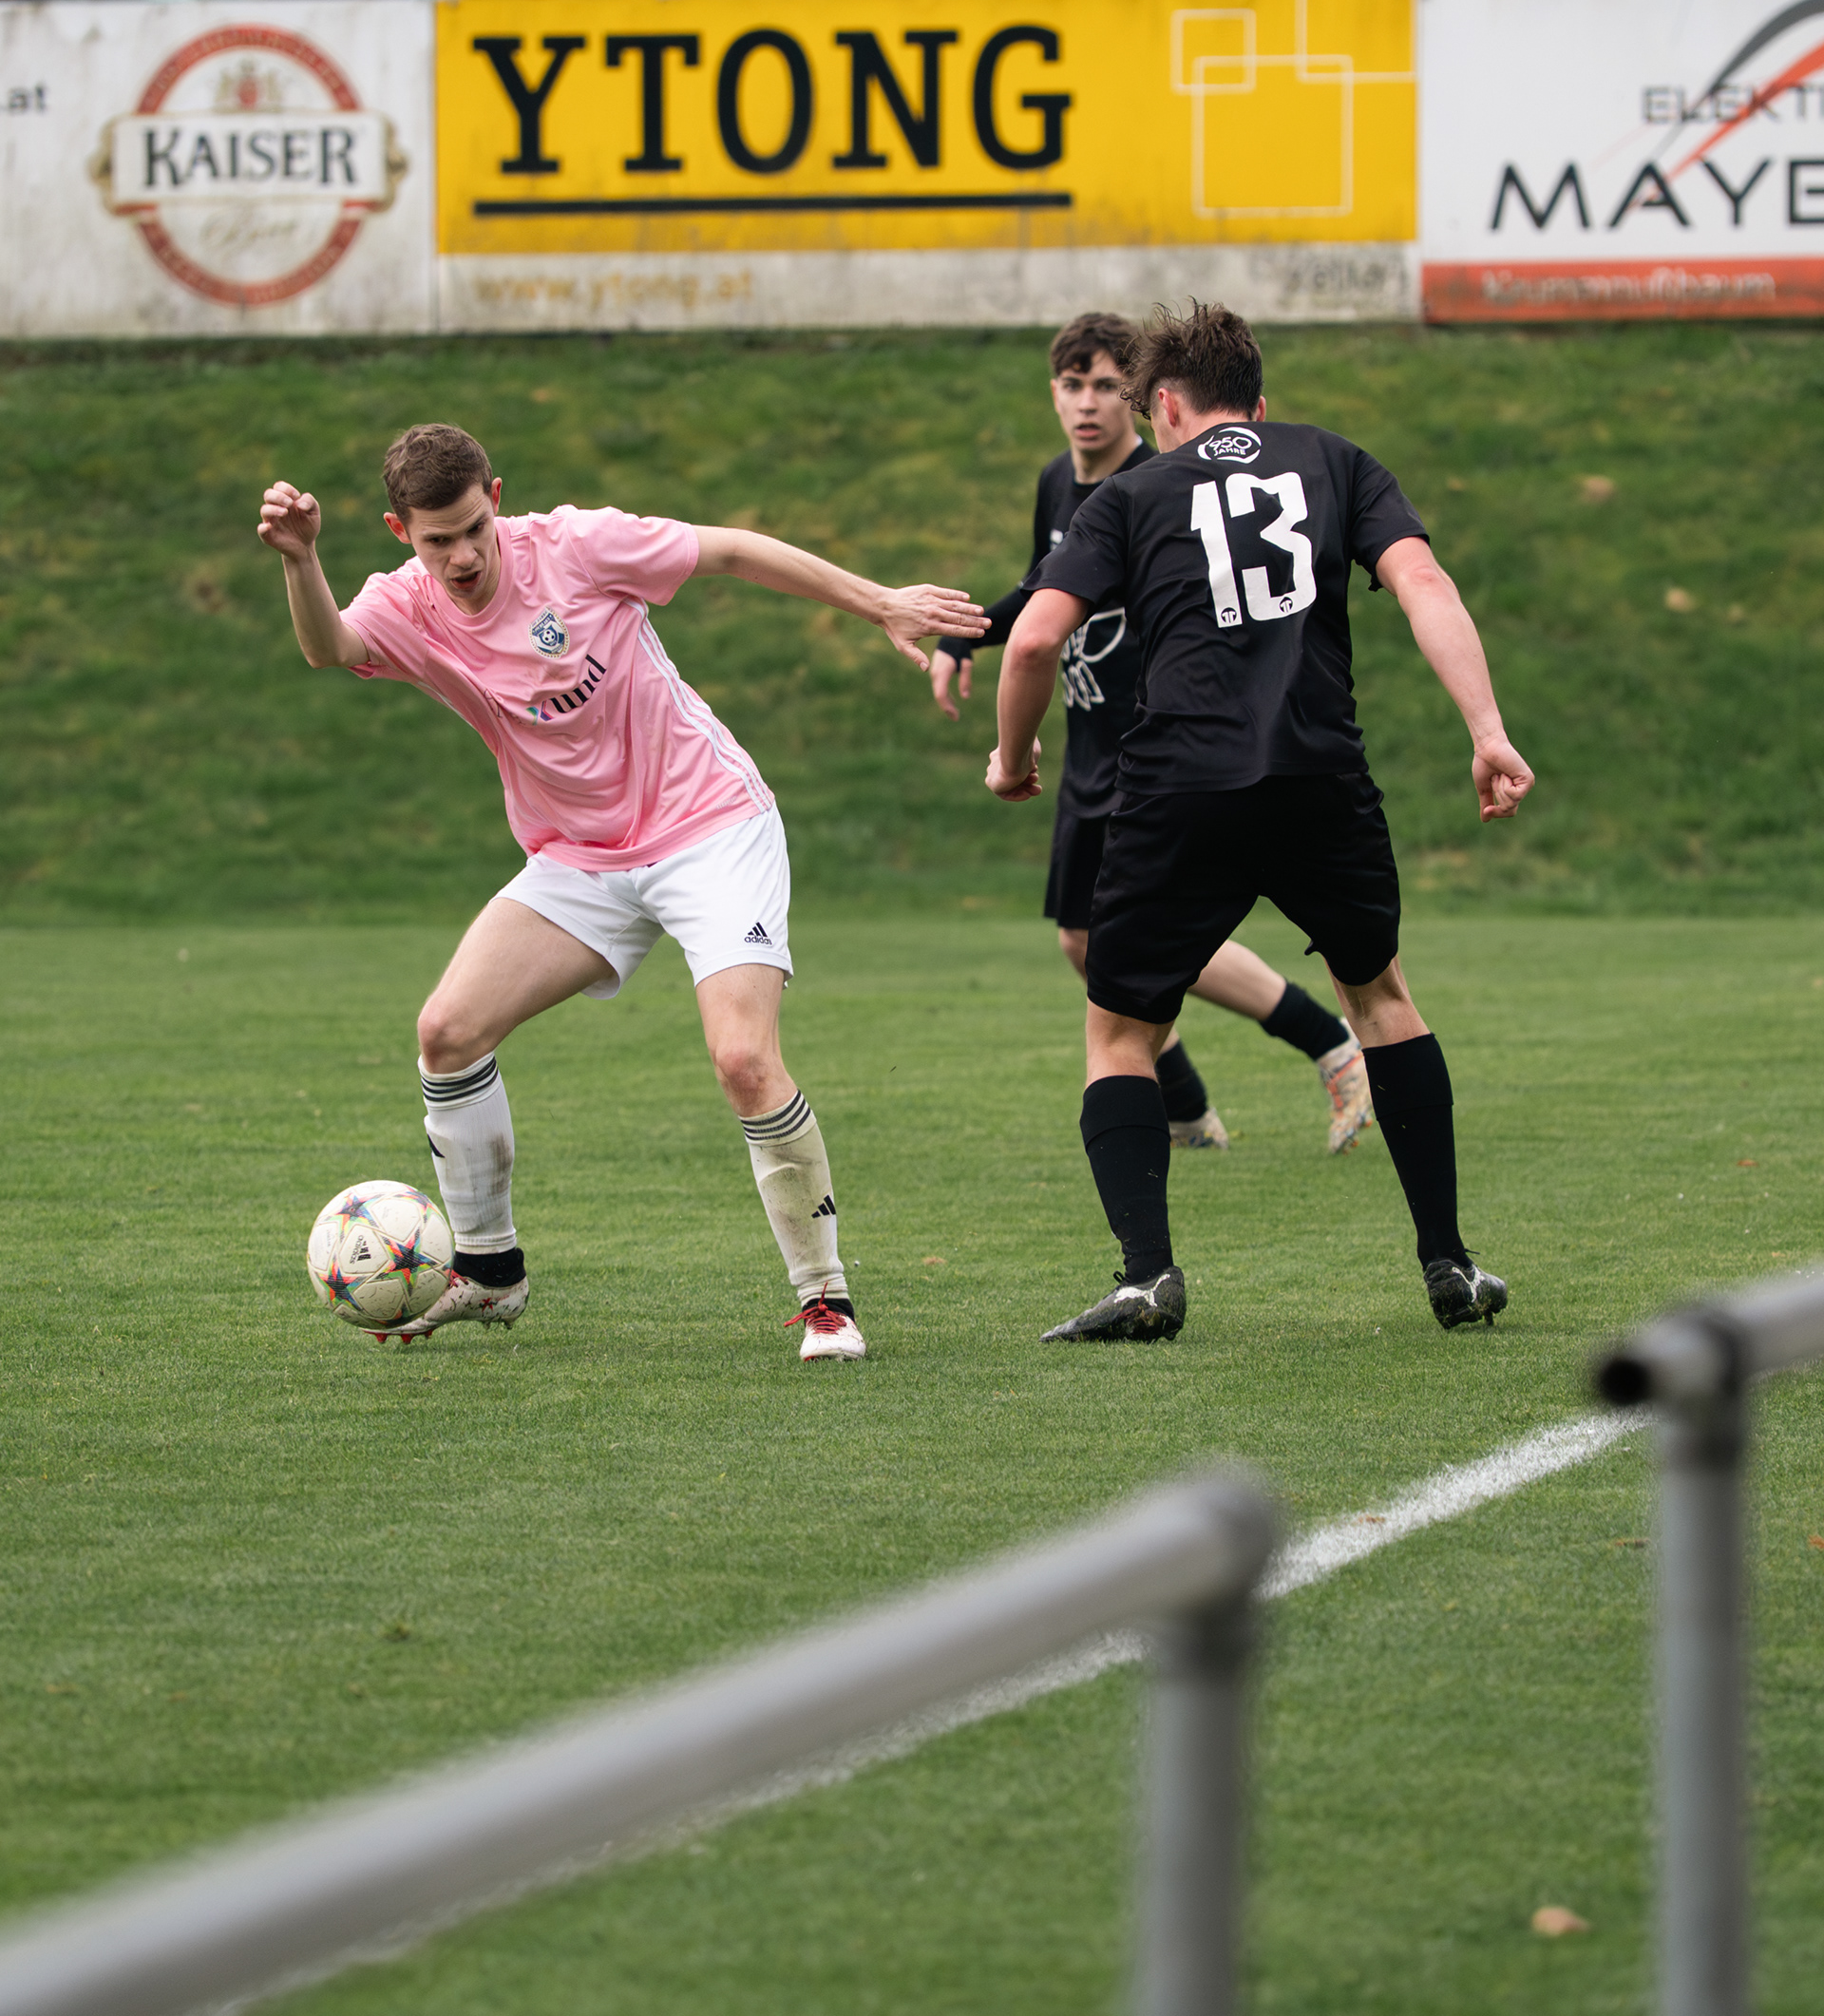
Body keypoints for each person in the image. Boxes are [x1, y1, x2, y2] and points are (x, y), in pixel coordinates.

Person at [257, 423, 987, 1361]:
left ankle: (826, 1302)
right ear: (402, 532)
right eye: (439, 540)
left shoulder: (577, 546)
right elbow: (330, 646)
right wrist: (301, 560)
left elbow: (729, 550)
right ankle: (489, 1271)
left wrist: (878, 601)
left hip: (709, 826)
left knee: (743, 1059)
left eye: (476, 527)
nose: (465, 555)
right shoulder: (408, 604)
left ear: (497, 498)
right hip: (582, 858)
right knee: (448, 1031)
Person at [986, 301, 1533, 1345]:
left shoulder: (1131, 493)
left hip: (1177, 788)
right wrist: (1488, 731)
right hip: (1320, 775)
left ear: (1163, 406)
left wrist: (1013, 760)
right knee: (1382, 1000)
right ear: (1260, 404)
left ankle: (1147, 1280)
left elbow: (1033, 642)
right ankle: (1451, 1265)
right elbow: (1423, 583)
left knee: (1120, 1031)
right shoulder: (1335, 460)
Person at [930, 312, 1372, 1154]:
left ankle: (1326, 1045)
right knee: (1083, 941)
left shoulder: (1158, 480)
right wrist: (966, 635)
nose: (1088, 403)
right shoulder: (1058, 484)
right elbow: (1040, 594)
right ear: (1053, 394)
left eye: (1107, 386)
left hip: (1158, 745)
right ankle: (1190, 1107)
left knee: (1151, 941)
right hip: (1087, 741)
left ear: (1145, 401)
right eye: (1073, 385)